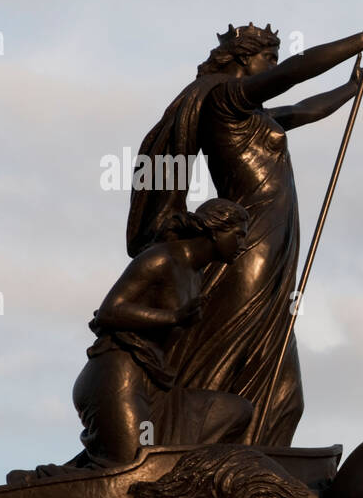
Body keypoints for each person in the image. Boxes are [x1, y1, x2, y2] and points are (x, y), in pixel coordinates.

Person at [127, 20, 363, 446]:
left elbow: (302, 110)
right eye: (267, 57)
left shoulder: (251, 114)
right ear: (244, 59)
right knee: (226, 351)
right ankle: (190, 443)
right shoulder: (223, 99)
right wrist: (360, 42)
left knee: (284, 391)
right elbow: (293, 74)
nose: (273, 65)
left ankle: (254, 453)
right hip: (248, 246)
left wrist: (353, 86)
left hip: (275, 244)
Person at [74, 199, 250, 467]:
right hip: (117, 377)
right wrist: (174, 317)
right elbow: (110, 311)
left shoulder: (196, 275)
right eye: (238, 235)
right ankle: (32, 485)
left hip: (156, 386)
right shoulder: (162, 258)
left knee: (236, 411)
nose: (243, 244)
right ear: (215, 230)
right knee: (131, 470)